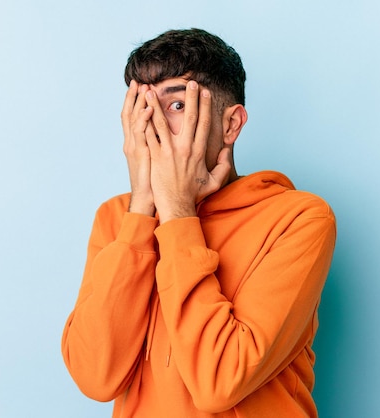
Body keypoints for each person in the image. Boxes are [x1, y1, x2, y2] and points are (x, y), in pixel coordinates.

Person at [61, 28, 336, 417]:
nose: (152, 125)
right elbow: (94, 377)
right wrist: (143, 207)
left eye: (175, 106)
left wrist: (176, 209)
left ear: (231, 125)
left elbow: (220, 382)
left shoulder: (298, 219)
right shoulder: (117, 219)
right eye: (142, 107)